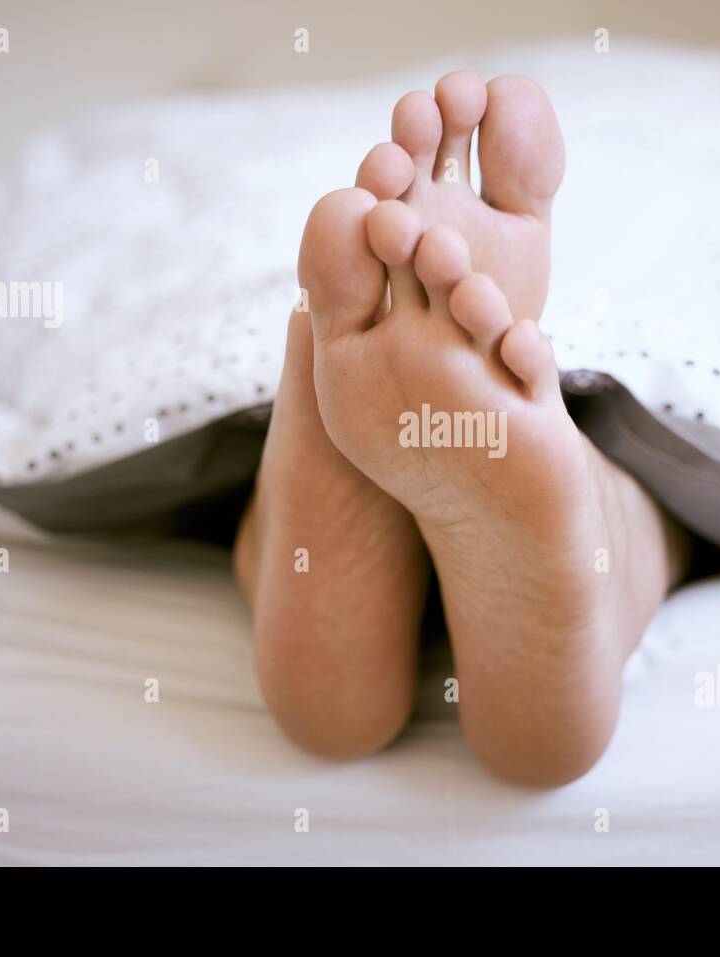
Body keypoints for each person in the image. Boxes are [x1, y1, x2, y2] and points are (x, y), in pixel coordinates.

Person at [235, 72, 689, 788]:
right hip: (640, 416)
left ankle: (278, 526)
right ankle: (619, 532)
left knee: (216, 479)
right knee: (687, 477)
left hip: (229, 412)